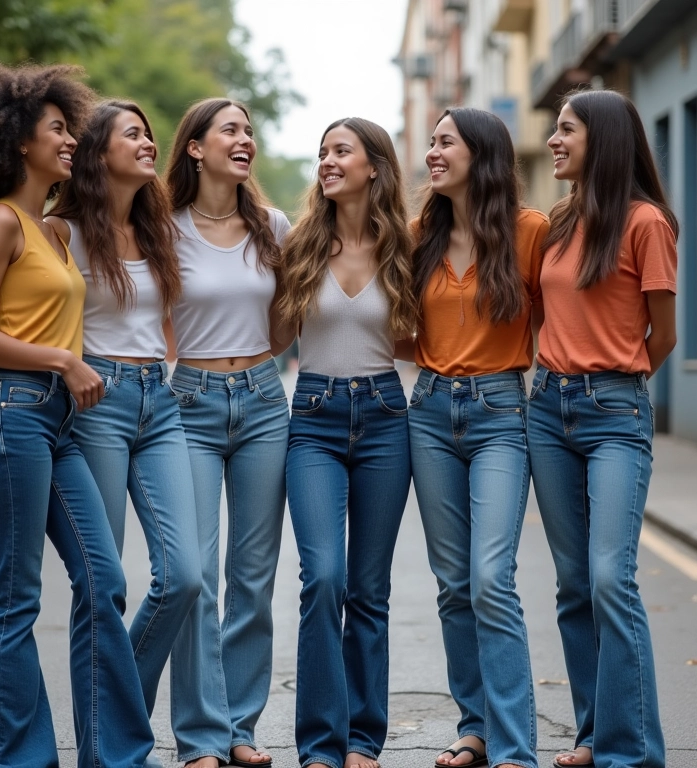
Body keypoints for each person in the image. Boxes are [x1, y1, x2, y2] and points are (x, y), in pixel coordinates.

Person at [0, 62, 154, 767]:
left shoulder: (55, 234)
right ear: (17, 140)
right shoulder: (0, 222)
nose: (71, 140)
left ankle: (114, 753)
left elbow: (45, 316)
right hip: (11, 415)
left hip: (57, 424)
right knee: (16, 595)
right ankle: (18, 757)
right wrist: (60, 361)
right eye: (58, 129)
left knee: (104, 580)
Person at [47, 99, 203, 768]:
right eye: (131, 135)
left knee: (185, 576)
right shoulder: (60, 231)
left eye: (147, 134)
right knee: (101, 585)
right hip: (95, 402)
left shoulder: (158, 227)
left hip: (157, 401)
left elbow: (164, 320)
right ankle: (106, 753)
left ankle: (116, 720)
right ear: (96, 153)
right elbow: (29, 308)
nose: (147, 144)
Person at [528, 89, 677, 768]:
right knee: (572, 583)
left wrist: (610, 379)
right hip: (546, 408)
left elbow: (664, 335)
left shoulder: (646, 222)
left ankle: (633, 750)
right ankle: (593, 735)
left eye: (567, 130)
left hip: (614, 411)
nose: (555, 140)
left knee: (610, 577)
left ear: (604, 139)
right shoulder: (559, 222)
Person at [403, 108, 547, 768]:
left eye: (444, 142)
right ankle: (476, 729)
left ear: (482, 153)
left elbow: (558, 318)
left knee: (492, 578)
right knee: (454, 583)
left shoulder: (530, 232)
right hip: (429, 410)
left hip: (500, 415)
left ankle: (516, 745)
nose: (433, 153)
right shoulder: (418, 235)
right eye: (430, 143)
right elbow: (400, 330)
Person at [277, 117, 416, 768]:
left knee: (368, 589)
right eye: (322, 153)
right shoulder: (300, 241)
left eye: (341, 151)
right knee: (323, 577)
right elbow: (265, 333)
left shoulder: (407, 247)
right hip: (314, 418)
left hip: (389, 417)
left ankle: (363, 740)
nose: (327, 162)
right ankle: (320, 744)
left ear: (374, 167)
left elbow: (432, 332)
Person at [164, 97, 293, 768]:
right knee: (195, 577)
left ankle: (239, 728)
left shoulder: (272, 225)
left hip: (266, 401)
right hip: (188, 404)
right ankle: (200, 737)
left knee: (252, 576)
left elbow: (291, 316)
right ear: (195, 147)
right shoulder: (160, 225)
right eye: (231, 130)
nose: (245, 140)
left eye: (249, 131)